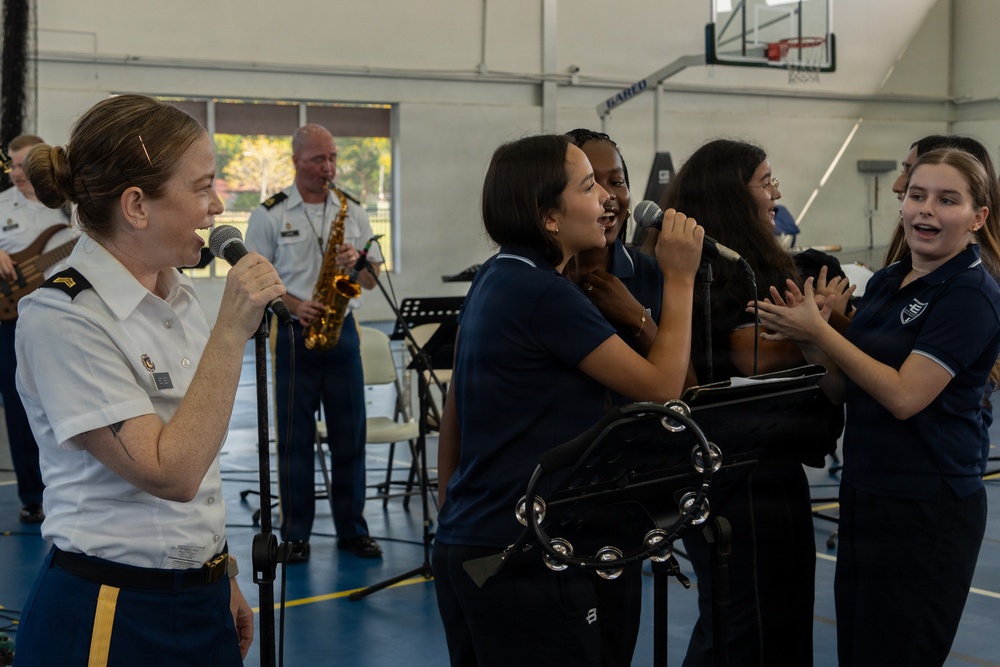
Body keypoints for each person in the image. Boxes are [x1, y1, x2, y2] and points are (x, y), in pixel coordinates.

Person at [12, 94, 269, 664]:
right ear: (136, 206)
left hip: (197, 597)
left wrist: (218, 567)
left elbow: (200, 463)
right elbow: (170, 473)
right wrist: (232, 331)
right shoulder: (65, 317)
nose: (216, 206)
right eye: (201, 187)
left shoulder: (176, 293)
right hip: (112, 607)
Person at [432, 134, 704, 666]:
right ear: (549, 217)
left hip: (476, 537)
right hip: (526, 554)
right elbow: (663, 388)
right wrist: (680, 279)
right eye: (587, 187)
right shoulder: (543, 293)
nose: (606, 199)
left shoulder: (497, 276)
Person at [755, 147, 1000, 666]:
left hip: (926, 507)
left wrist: (823, 331)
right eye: (917, 195)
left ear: (978, 217)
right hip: (868, 493)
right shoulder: (891, 280)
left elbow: (905, 396)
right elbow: (843, 389)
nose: (926, 209)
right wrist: (807, 338)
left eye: (947, 200)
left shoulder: (970, 294)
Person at [661, 138, 834, 666]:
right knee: (747, 625)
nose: (776, 193)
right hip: (741, 474)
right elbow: (752, 356)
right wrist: (822, 326)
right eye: (765, 182)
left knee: (772, 619)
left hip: (762, 467)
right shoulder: (718, 274)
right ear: (732, 197)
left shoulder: (749, 266)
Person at [245, 123, 383, 562]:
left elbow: (373, 280)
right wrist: (293, 304)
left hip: (343, 331)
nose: (329, 168)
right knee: (294, 440)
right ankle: (296, 534)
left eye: (333, 158)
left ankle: (353, 529)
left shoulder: (352, 210)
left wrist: (359, 262)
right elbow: (254, 281)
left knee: (350, 436)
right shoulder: (269, 214)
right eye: (319, 159)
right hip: (292, 332)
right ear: (296, 162)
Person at [562, 128, 665, 666]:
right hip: (549, 496)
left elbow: (685, 387)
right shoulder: (536, 279)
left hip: (621, 502)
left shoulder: (649, 273)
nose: (609, 196)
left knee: (613, 645)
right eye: (591, 183)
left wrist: (637, 317)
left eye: (618, 180)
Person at [0, 134, 76, 524]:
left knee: (59, 403)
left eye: (23, 165)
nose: (16, 173)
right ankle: (32, 496)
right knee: (18, 405)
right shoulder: (1, 205)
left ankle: (64, 488)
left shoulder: (67, 207)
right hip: (11, 316)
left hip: (60, 313)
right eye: (11, 165)